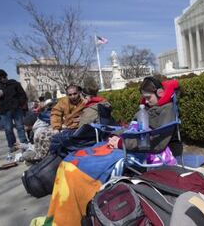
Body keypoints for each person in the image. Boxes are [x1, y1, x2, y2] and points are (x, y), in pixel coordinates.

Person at [42, 77, 180, 226]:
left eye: (148, 98)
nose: (146, 101)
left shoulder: (167, 109)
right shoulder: (147, 107)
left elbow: (156, 143)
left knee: (74, 170)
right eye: (144, 98)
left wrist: (122, 142)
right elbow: (132, 126)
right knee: (68, 162)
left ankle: (71, 215)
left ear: (160, 93)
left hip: (141, 150)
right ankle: (60, 214)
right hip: (128, 144)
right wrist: (116, 135)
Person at [0, 69, 29, 153]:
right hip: (4, 111)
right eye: (0, 78)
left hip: (16, 109)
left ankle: (24, 143)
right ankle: (12, 145)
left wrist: (20, 104)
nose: (3, 79)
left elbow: (23, 95)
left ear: (6, 76)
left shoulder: (14, 83)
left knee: (20, 127)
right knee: (8, 129)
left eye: (4, 77)